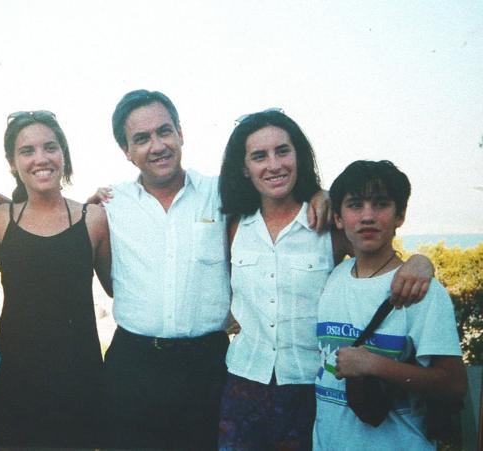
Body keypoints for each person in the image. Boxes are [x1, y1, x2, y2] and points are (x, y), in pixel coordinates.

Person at [100, 90, 332, 450]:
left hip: (207, 366)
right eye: (141, 139)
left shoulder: (221, 193)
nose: (157, 145)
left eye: (164, 131)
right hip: (133, 366)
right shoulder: (111, 204)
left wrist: (321, 194)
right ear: (126, 151)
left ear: (180, 133)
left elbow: (279, 195)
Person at [217, 110, 435, 450]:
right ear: (245, 168)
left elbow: (382, 259)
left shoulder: (326, 224)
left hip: (312, 387)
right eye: (259, 156)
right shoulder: (233, 226)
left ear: (298, 156)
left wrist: (422, 262)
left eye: (282, 151)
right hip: (243, 383)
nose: (273, 165)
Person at [314, 160, 466, 450]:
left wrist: (374, 364)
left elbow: (453, 385)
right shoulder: (333, 277)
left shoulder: (422, 291)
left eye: (381, 204)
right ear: (338, 218)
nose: (367, 216)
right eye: (355, 205)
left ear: (401, 215)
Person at [0, 110, 112, 448]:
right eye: (27, 151)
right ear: (12, 162)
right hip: (15, 382)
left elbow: (119, 289)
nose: (40, 158)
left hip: (79, 383)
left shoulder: (94, 219)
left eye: (50, 147)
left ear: (63, 154)